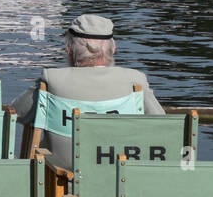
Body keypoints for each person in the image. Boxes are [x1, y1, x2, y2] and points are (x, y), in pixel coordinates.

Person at [10, 14, 165, 167]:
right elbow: (161, 123)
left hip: (60, 177)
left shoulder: (53, 80)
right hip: (120, 174)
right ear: (113, 49)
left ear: (69, 49)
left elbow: (16, 112)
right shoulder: (134, 80)